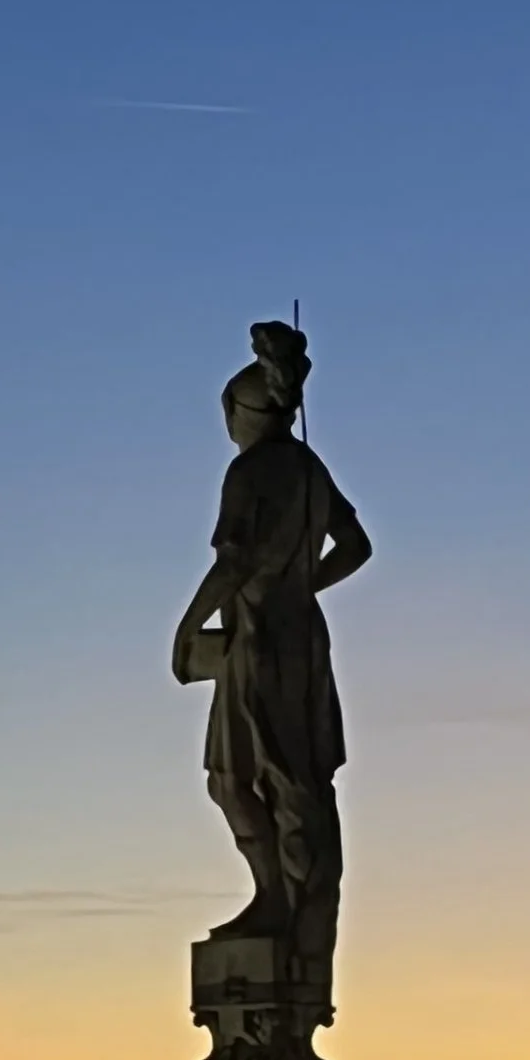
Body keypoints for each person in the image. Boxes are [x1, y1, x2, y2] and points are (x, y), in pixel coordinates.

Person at [171, 322, 372, 953]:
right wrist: (305, 584)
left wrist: (187, 625)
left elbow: (232, 562)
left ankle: (278, 900)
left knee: (239, 777)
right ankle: (286, 903)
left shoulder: (250, 471)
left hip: (257, 644)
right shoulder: (309, 467)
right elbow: (357, 547)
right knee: (290, 779)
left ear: (244, 412)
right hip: (302, 638)